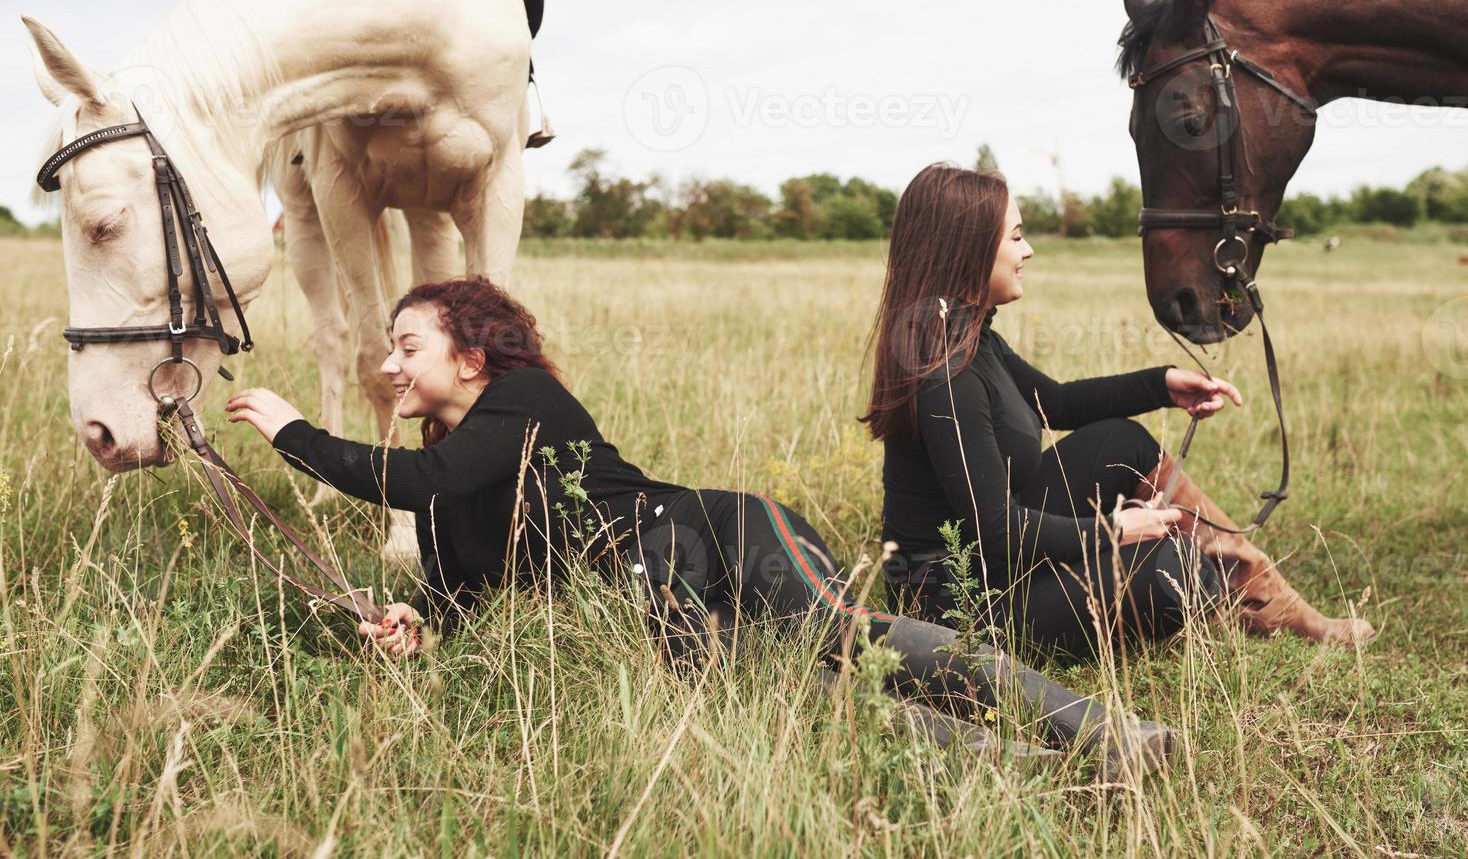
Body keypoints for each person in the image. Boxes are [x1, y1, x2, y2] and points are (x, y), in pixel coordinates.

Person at [225, 276, 1173, 769]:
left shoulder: (524, 403)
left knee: (845, 640)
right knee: (806, 699)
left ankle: (1110, 735)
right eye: (390, 350)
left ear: (472, 358)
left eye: (409, 347)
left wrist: (290, 431)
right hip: (653, 599)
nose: (391, 367)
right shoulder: (447, 497)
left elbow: (415, 477)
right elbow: (463, 595)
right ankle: (1048, 765)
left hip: (715, 537)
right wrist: (417, 631)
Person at [863, 164, 1374, 658]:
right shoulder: (946, 371)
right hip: (961, 607)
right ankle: (1237, 596)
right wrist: (1118, 530)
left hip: (993, 561)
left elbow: (1056, 402)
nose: (1029, 251)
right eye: (1016, 237)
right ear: (970, 248)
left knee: (1120, 442)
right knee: (1173, 570)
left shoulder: (969, 334)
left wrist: (1162, 384)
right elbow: (998, 531)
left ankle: (1270, 601)